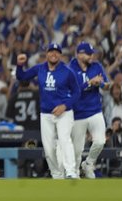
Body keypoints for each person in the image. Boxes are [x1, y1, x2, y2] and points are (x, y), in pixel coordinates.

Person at [16, 43, 81, 179]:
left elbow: (76, 92)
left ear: (60, 55)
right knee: (48, 148)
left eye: (57, 52)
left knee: (65, 140)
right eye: (51, 51)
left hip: (64, 112)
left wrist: (65, 105)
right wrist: (19, 65)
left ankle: (70, 171)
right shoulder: (39, 69)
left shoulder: (68, 71)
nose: (54, 54)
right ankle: (56, 174)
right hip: (46, 114)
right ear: (47, 54)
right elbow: (22, 77)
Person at [68, 42, 109, 178]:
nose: (92, 55)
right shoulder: (71, 69)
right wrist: (90, 82)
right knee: (77, 150)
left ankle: (89, 163)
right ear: (79, 54)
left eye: (92, 53)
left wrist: (102, 84)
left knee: (100, 141)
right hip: (78, 114)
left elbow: (106, 85)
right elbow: (73, 91)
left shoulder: (96, 66)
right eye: (88, 53)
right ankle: (75, 173)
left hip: (95, 110)